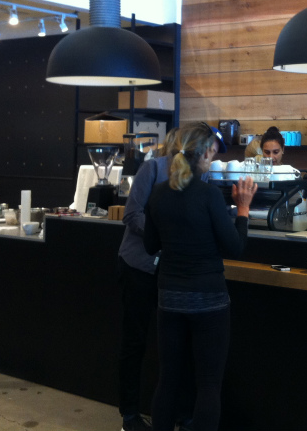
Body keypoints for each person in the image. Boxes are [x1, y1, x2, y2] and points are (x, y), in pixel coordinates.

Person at [143, 123, 255, 431]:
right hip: (208, 299)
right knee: (208, 384)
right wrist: (243, 210)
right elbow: (235, 247)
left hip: (169, 297)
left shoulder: (158, 193)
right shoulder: (209, 195)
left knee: (168, 380)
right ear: (204, 154)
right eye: (213, 153)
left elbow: (150, 245)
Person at [116, 125, 227, 431]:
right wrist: (168, 237)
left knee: (176, 353)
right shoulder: (152, 169)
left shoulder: (201, 176)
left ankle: (179, 414)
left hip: (171, 273)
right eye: (209, 150)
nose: (210, 156)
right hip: (139, 266)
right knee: (136, 341)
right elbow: (132, 213)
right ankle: (129, 414)